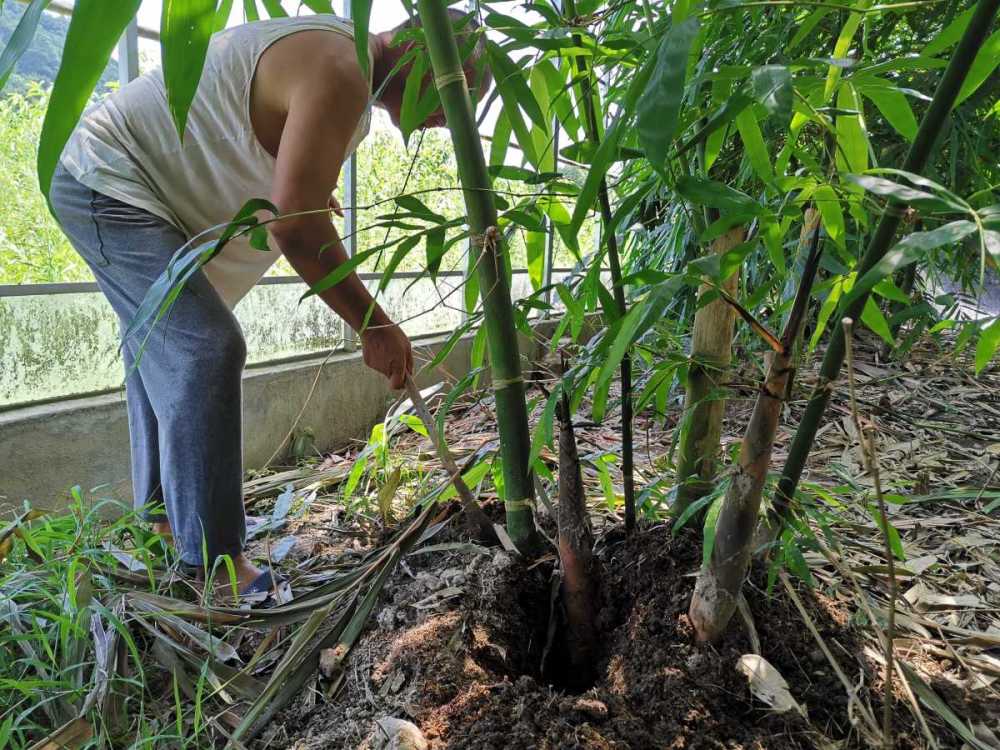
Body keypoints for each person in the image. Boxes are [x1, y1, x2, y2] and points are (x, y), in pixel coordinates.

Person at [49, 9, 490, 598]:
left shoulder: (342, 56)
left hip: (132, 182)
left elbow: (278, 167)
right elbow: (296, 229)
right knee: (205, 348)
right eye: (453, 94)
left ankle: (163, 520)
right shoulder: (344, 70)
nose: (444, 120)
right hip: (107, 177)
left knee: (163, 343)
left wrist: (306, 192)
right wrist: (374, 325)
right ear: (422, 56)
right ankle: (214, 568)